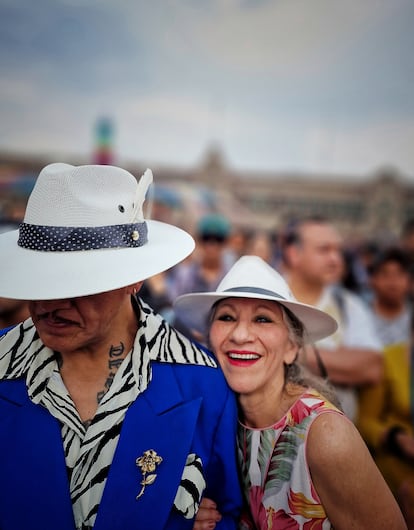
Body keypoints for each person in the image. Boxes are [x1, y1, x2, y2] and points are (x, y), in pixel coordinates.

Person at [0, 163, 242, 530]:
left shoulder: (204, 385)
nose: (50, 303)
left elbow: (229, 514)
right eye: (39, 282)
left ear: (134, 279)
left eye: (76, 284)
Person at [175, 256, 406, 529]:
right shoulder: (209, 420)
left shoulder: (326, 435)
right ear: (209, 339)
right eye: (227, 317)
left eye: (263, 319)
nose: (240, 334)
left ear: (291, 348)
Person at [282, 216, 383, 421]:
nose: (335, 259)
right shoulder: (270, 300)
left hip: (337, 440)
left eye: (338, 250)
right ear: (294, 254)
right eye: (324, 250)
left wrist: (290, 351)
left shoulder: (348, 306)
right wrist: (339, 356)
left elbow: (372, 368)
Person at [367, 246, 412, 348]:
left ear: (409, 281)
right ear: (372, 281)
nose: (393, 282)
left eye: (399, 274)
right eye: (385, 274)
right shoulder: (360, 317)